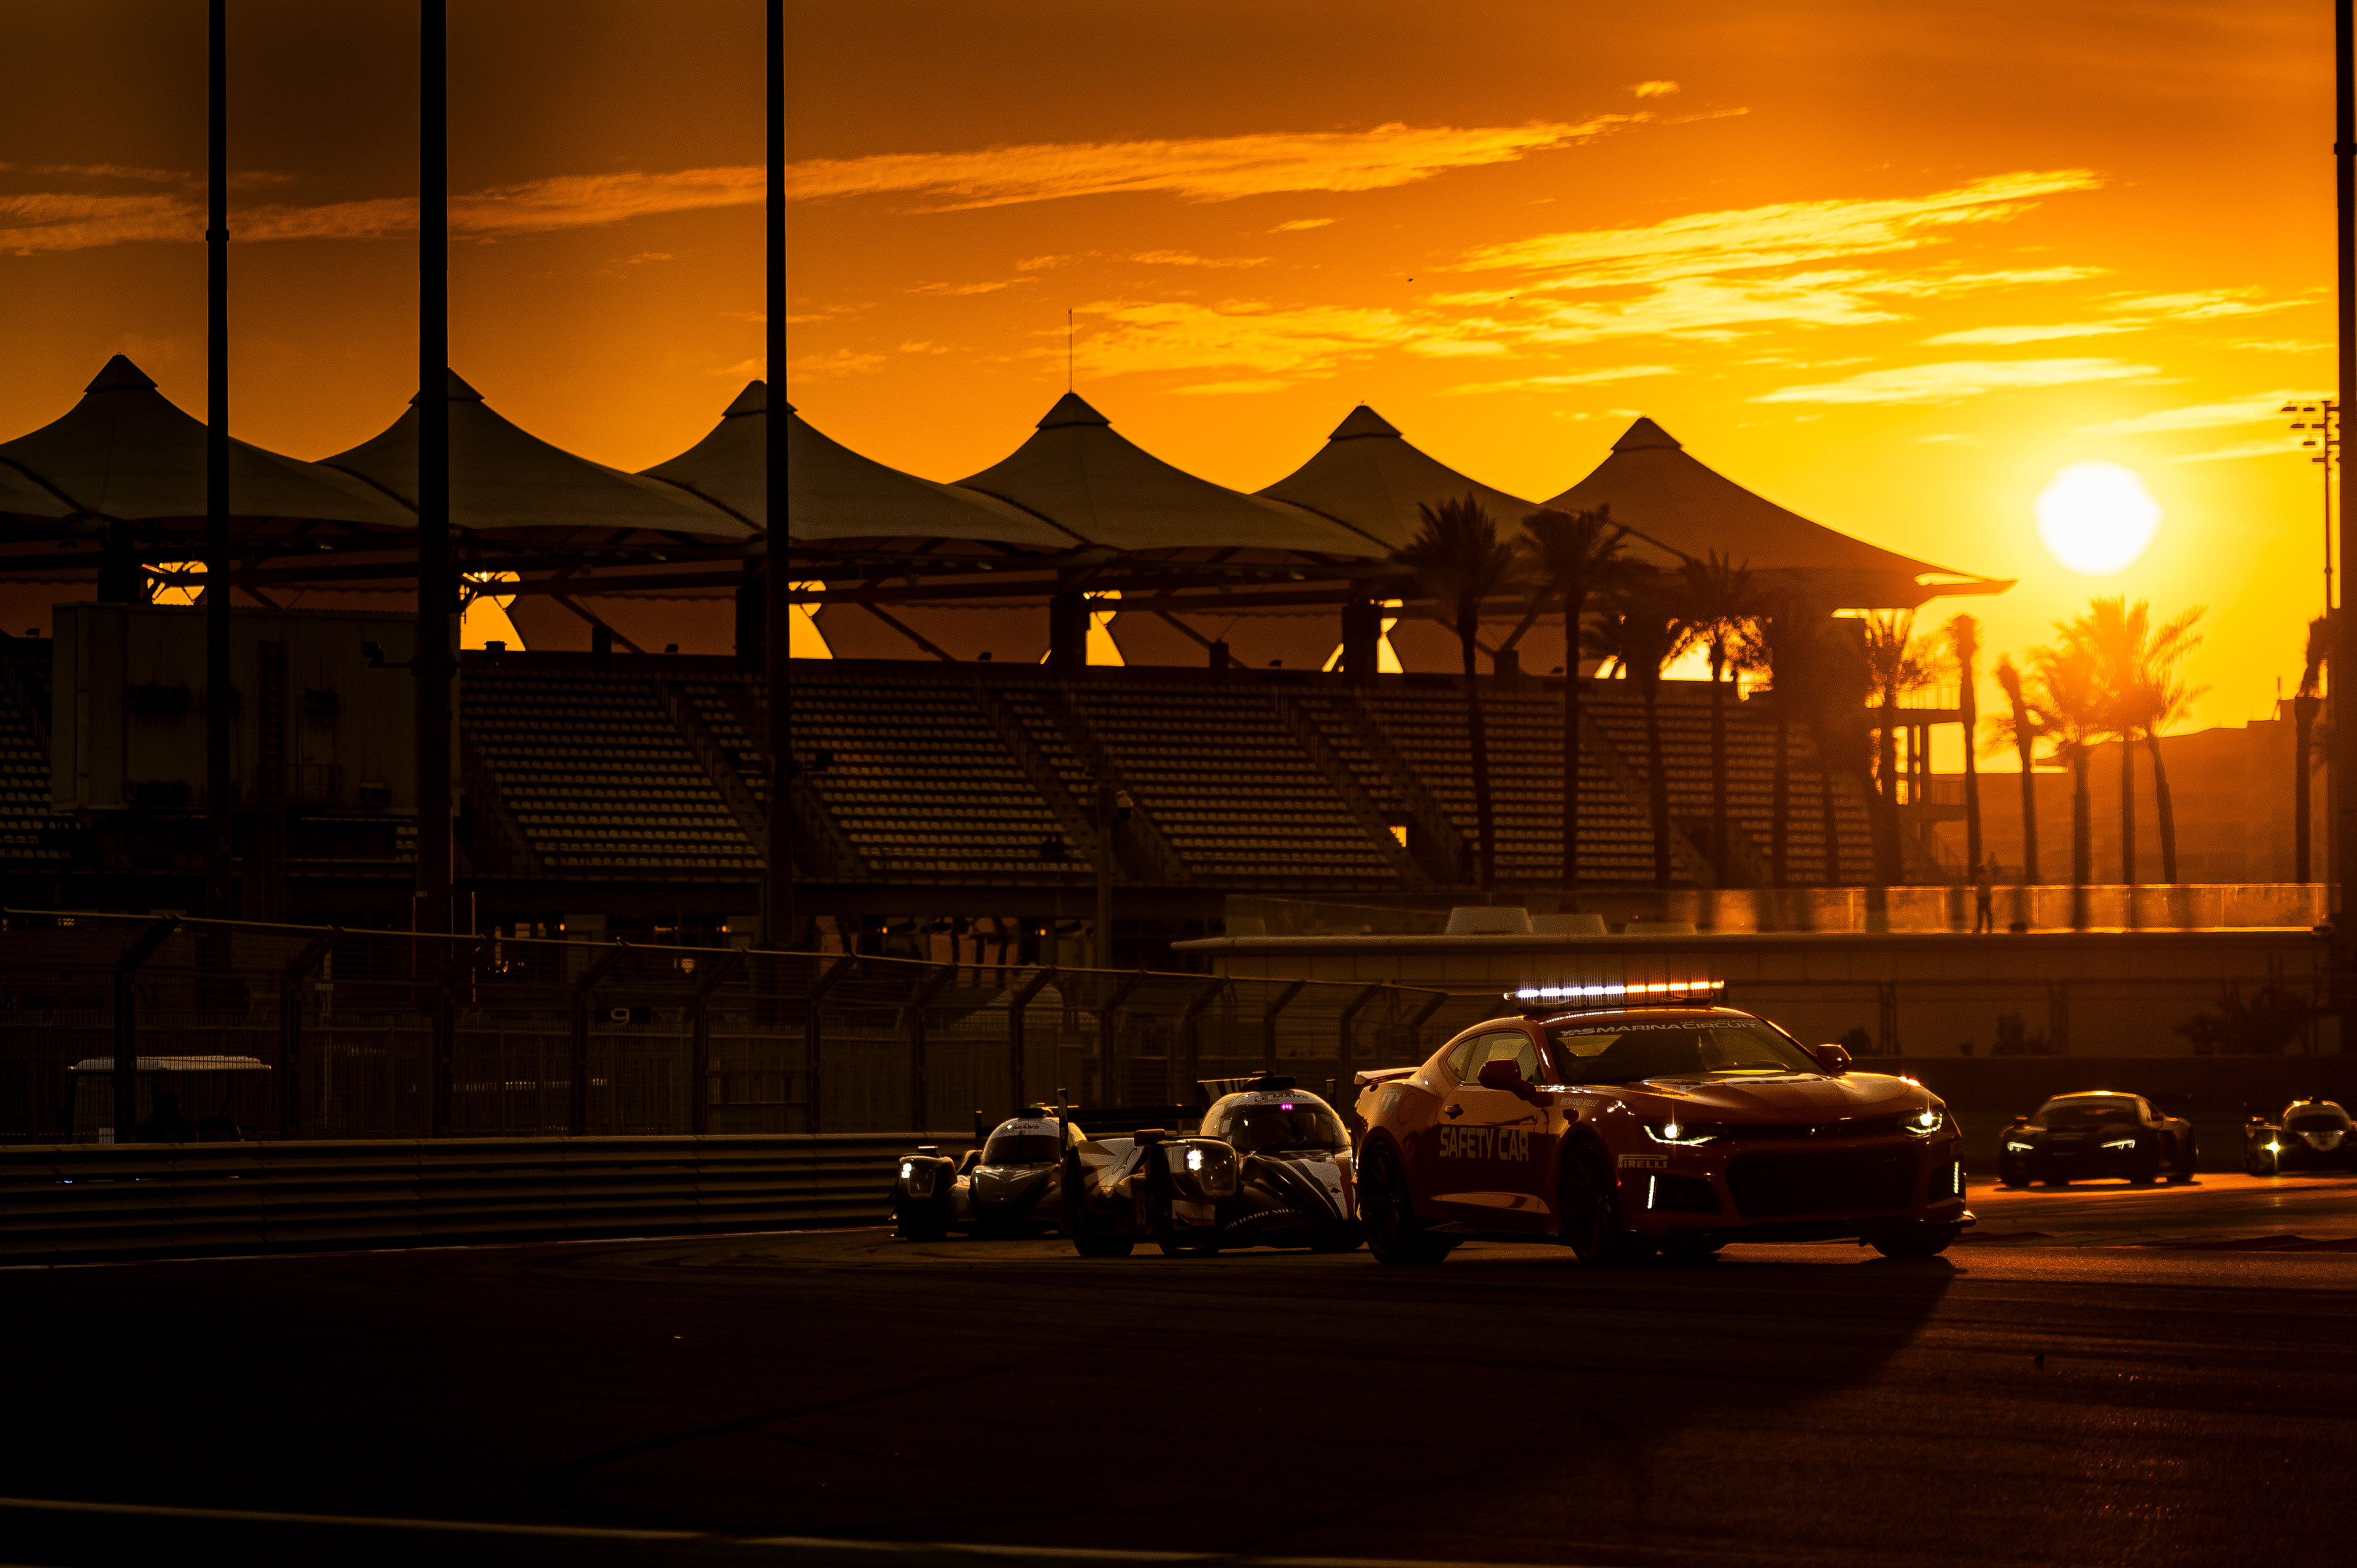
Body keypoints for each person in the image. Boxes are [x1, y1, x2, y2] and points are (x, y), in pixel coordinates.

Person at [1972, 858, 1996, 934]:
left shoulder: (1988, 875)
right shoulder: (1984, 875)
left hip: (1986, 895)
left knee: (1986, 911)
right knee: (1981, 911)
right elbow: (1979, 887)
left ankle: (1988, 926)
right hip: (1983, 895)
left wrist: (1979, 879)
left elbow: (1984, 883)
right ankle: (1981, 927)